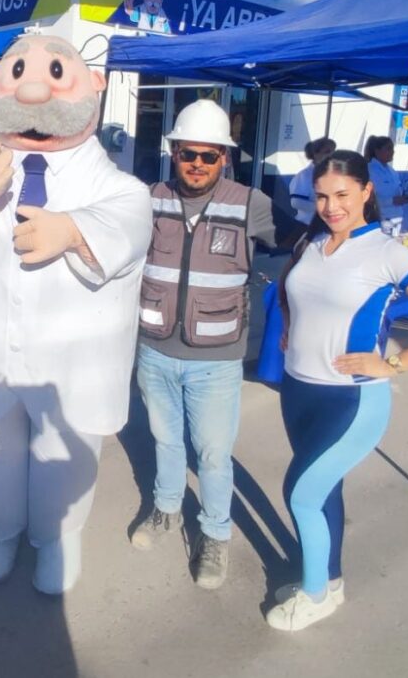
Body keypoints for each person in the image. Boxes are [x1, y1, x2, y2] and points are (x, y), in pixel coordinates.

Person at [0, 34, 151, 595]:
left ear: (95, 86)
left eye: (54, 72)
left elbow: (130, 212)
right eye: (19, 72)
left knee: (63, 457)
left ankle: (56, 536)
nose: (36, 89)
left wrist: (73, 231)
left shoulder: (113, 183)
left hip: (69, 360)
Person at [265, 150, 408, 632]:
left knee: (300, 494)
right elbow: (290, 289)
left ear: (366, 191)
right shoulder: (312, 244)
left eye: (341, 195)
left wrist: (394, 362)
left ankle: (314, 596)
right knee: (323, 490)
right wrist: (291, 327)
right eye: (321, 196)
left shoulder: (387, 252)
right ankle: (329, 580)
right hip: (299, 391)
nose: (330, 206)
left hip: (351, 400)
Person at [132, 99, 278, 589]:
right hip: (154, 350)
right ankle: (166, 509)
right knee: (165, 440)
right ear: (173, 152)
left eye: (208, 155)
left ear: (225, 157)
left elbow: (308, 243)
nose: (197, 163)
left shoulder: (250, 204)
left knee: (214, 453)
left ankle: (215, 534)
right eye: (187, 153)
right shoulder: (149, 198)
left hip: (216, 361)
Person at [365, 135, 408, 236]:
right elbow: (369, 198)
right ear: (377, 151)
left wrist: (404, 197)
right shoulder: (371, 170)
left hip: (396, 219)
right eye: (388, 149)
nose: (392, 152)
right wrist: (392, 201)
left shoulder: (391, 171)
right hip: (382, 220)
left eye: (393, 149)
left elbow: (397, 190)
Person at [289, 137, 337, 228]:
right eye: (327, 152)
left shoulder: (334, 174)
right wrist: (323, 208)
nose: (331, 155)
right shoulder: (304, 176)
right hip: (307, 226)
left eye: (333, 152)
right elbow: (296, 202)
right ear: (315, 154)